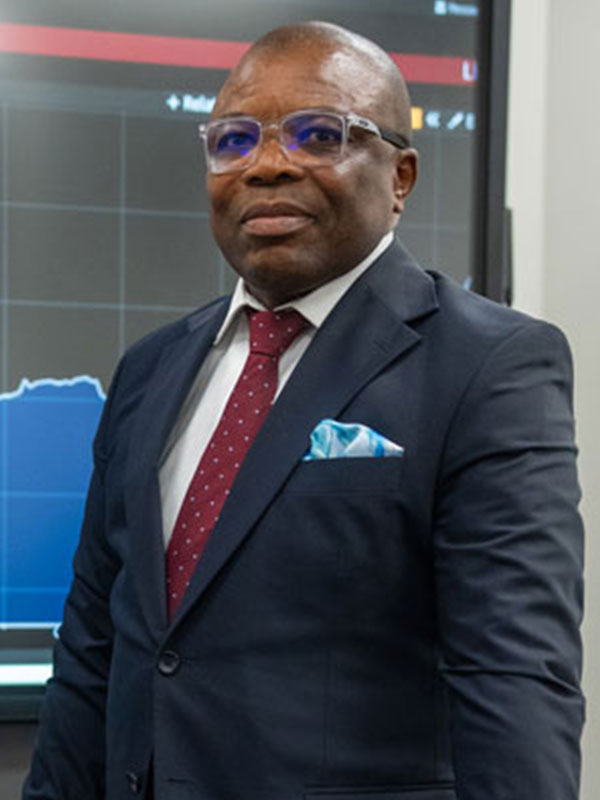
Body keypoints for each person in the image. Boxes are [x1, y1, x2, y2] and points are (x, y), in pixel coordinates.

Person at [23, 21, 584, 800]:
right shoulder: (151, 369)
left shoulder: (488, 366)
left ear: (401, 176)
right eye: (233, 141)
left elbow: (514, 680)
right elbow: (94, 646)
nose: (266, 165)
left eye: (319, 135)